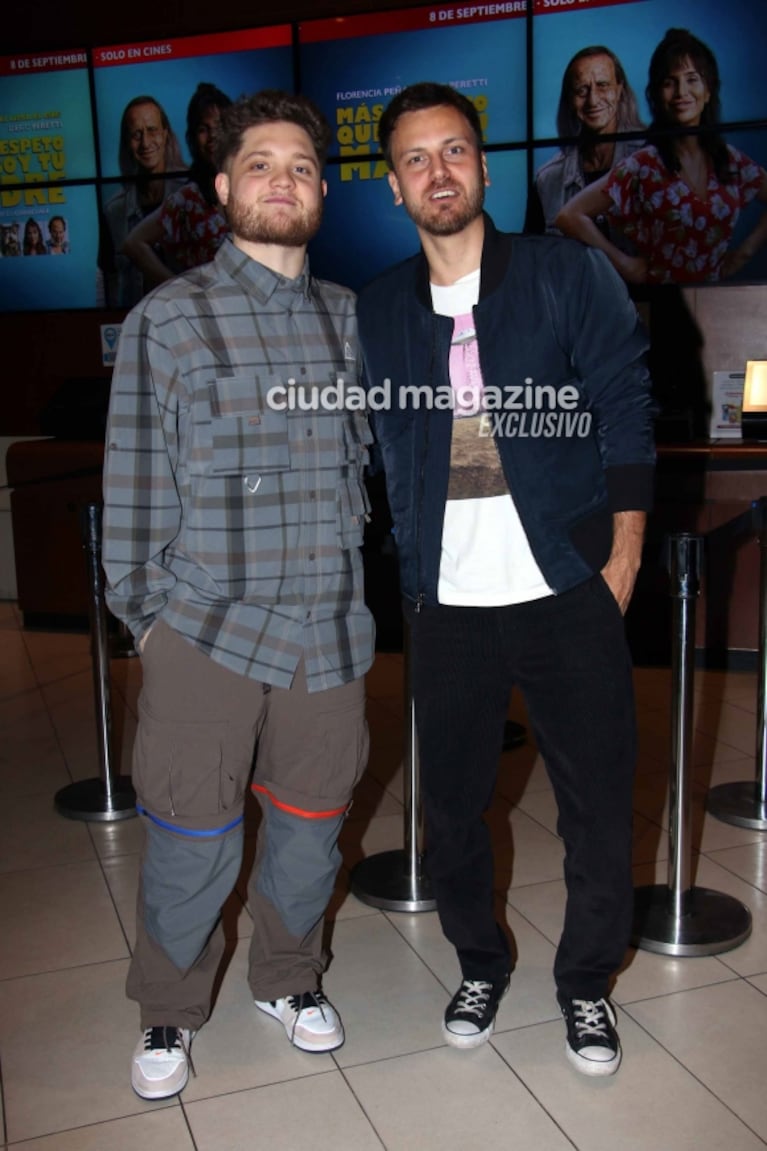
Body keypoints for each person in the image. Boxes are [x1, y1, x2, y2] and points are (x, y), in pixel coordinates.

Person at [356, 82, 655, 1076]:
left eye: (453, 151)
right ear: (393, 187)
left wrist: (618, 557)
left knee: (595, 804)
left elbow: (622, 406)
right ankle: (477, 961)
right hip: (446, 601)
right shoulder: (377, 308)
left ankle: (582, 985)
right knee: (448, 807)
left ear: (481, 166)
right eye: (414, 159)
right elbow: (375, 441)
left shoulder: (564, 274)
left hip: (565, 580)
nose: (436, 172)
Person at [102, 89, 375, 1102]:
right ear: (222, 188)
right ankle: (169, 1004)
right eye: (260, 164)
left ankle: (287, 976)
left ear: (320, 189)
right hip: (206, 632)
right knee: (188, 833)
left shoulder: (355, 322)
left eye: (300, 166)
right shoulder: (165, 322)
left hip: (329, 633)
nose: (281, 181)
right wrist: (152, 624)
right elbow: (130, 488)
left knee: (311, 825)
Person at [555, 28, 767, 284]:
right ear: (656, 95)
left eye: (691, 79)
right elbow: (569, 216)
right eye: (669, 82)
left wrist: (744, 254)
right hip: (659, 306)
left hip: (720, 305)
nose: (681, 92)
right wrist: (625, 265)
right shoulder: (645, 164)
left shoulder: (731, 161)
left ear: (708, 90)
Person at [525, 45, 645, 239]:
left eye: (603, 85)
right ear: (570, 99)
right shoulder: (547, 179)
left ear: (620, 89)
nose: (593, 100)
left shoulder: (650, 157)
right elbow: (534, 257)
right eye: (582, 90)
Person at [122, 82, 232, 286]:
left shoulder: (252, 186)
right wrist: (178, 290)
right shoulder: (189, 197)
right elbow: (133, 244)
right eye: (203, 129)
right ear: (192, 137)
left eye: (220, 126)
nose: (213, 136)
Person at [102, 95, 186, 305]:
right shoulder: (114, 210)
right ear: (127, 142)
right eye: (136, 134)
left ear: (165, 133)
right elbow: (108, 279)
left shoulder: (192, 194)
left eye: (152, 130)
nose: (145, 143)